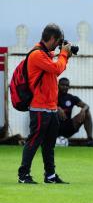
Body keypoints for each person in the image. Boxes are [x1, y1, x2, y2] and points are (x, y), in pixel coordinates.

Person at [17, 23, 72, 184]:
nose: (59, 45)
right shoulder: (37, 55)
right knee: (33, 141)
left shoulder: (46, 54)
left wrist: (65, 55)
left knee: (49, 144)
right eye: (59, 41)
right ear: (53, 38)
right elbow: (57, 69)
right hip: (39, 107)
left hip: (50, 107)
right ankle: (23, 175)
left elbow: (57, 66)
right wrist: (63, 54)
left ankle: (50, 175)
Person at [57, 78, 93, 147]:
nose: (65, 87)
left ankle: (90, 141)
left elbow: (86, 105)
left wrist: (83, 110)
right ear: (58, 85)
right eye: (62, 85)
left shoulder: (71, 98)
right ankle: (43, 140)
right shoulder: (52, 96)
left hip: (68, 127)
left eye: (67, 85)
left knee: (87, 112)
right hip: (54, 127)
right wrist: (57, 108)